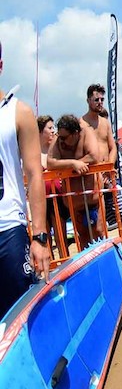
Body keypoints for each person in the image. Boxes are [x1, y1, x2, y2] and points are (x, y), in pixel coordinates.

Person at [0, 49, 50, 315]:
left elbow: (34, 174)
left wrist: (39, 238)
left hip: (8, 229)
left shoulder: (18, 112)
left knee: (21, 313)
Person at [46, 115, 100, 247]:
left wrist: (74, 163)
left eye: (65, 137)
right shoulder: (59, 140)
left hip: (93, 198)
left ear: (75, 133)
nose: (62, 140)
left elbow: (94, 156)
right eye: (60, 136)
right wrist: (73, 164)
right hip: (74, 202)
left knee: (99, 232)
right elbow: (50, 163)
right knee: (82, 236)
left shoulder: (86, 133)